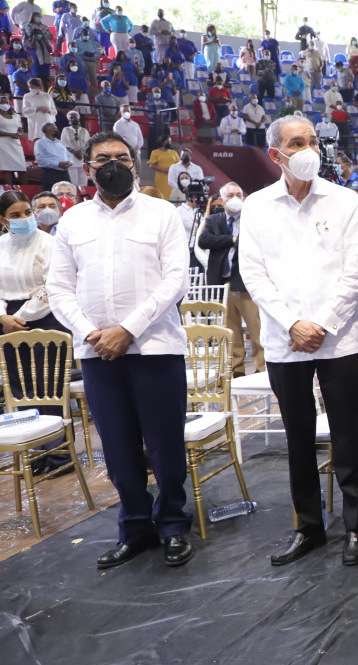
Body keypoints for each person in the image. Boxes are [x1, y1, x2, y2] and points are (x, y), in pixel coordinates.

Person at [46, 131, 195, 568]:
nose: (114, 164)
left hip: (156, 347)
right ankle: (135, 527)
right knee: (117, 446)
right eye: (103, 158)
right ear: (87, 167)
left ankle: (172, 525)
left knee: (165, 445)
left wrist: (127, 329)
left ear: (134, 163)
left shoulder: (161, 213)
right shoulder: (73, 222)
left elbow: (175, 279)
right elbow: (59, 287)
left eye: (122, 157)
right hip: (98, 352)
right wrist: (92, 332)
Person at [239, 116, 358, 567]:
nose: (309, 150)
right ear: (275, 154)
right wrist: (292, 324)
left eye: (313, 141)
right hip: (286, 341)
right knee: (297, 438)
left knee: (347, 435)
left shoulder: (343, 200)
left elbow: (356, 271)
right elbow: (254, 274)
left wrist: (321, 324)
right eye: (297, 143)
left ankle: (355, 527)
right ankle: (309, 526)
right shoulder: (257, 206)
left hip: (340, 338)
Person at [0, 190, 73, 475]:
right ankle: (36, 454)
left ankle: (59, 456)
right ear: (3, 220)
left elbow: (51, 286)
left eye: (27, 213)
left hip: (45, 317)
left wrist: (19, 317)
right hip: (7, 321)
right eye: (15, 215)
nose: (24, 218)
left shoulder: (49, 243)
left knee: (47, 389)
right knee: (21, 389)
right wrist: (3, 317)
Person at [197, 182, 264, 376]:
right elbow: (204, 240)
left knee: (256, 328)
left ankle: (262, 367)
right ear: (221, 200)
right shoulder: (214, 220)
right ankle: (236, 369)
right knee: (230, 330)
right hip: (222, 282)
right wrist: (231, 240)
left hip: (245, 283)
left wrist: (231, 241)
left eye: (238, 194)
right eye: (230, 195)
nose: (235, 198)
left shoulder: (251, 220)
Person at [34, 123, 74, 190]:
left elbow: (68, 155)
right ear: (48, 131)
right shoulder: (40, 143)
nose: (57, 131)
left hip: (64, 173)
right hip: (50, 173)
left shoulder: (60, 142)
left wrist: (69, 162)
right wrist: (58, 164)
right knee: (51, 193)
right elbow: (41, 160)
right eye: (55, 129)